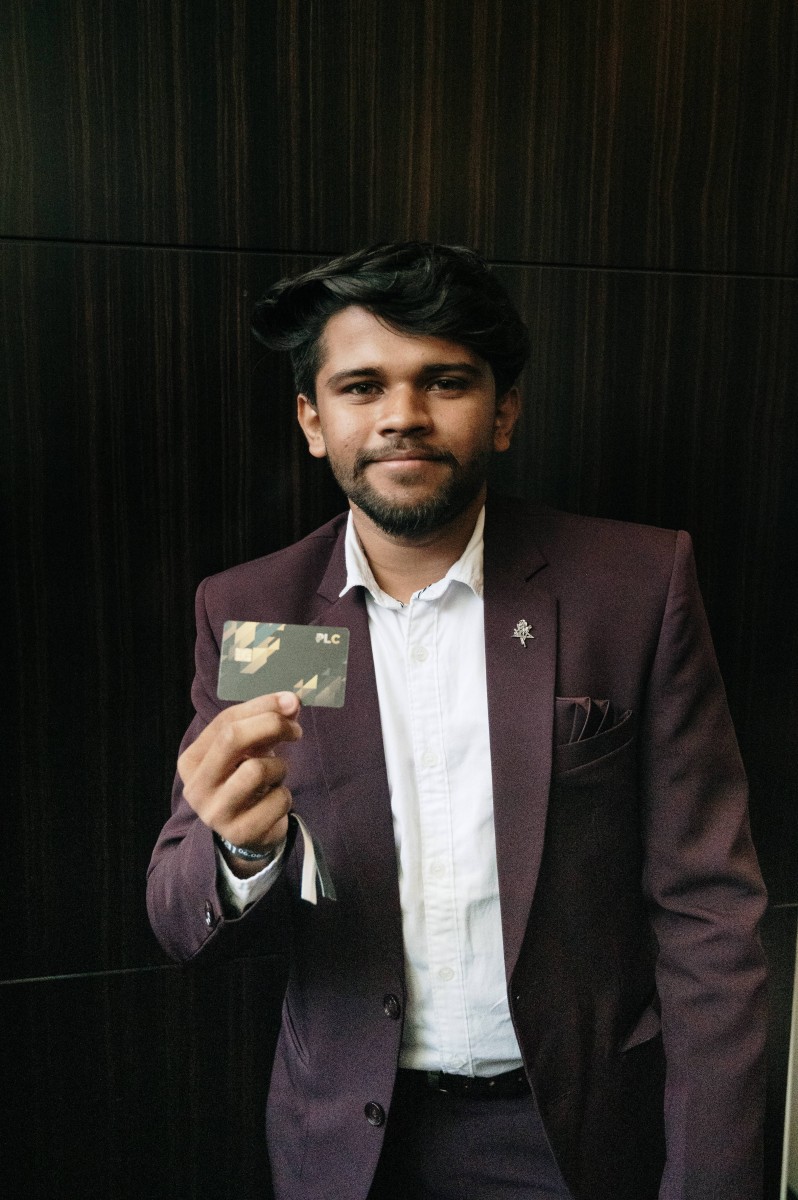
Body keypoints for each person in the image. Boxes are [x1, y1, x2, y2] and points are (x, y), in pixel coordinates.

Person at [147, 243, 768, 1200]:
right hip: (348, 1150)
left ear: (504, 410)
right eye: (362, 386)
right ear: (313, 420)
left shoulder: (635, 587)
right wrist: (237, 853)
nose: (402, 414)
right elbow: (178, 917)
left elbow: (709, 914)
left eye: (444, 381)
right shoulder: (258, 613)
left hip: (578, 1138)